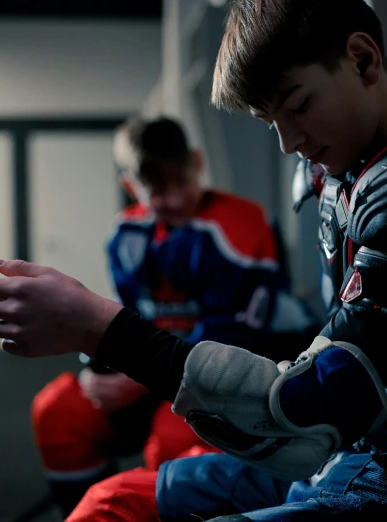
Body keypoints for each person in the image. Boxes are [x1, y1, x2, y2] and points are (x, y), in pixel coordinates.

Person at [0, 1, 387, 519]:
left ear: (364, 62)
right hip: (354, 450)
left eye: (298, 105)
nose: (289, 141)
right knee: (111, 503)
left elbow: (307, 414)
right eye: (270, 122)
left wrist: (97, 328)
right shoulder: (350, 167)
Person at [29, 116, 319, 518]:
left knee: (172, 443)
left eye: (181, 182)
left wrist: (140, 378)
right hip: (153, 371)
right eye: (158, 190)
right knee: (60, 411)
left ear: (196, 163)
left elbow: (229, 343)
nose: (176, 199)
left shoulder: (244, 226)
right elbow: (123, 317)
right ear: (132, 187)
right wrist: (101, 368)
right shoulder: (124, 235)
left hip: (228, 373)